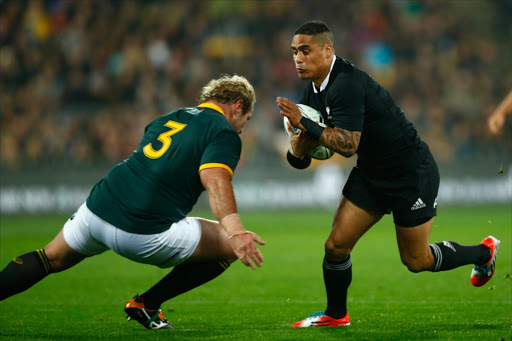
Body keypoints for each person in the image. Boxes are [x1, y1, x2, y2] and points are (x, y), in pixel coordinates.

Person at [276, 21, 500, 328]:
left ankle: (483, 252)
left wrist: (307, 124)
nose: (298, 58)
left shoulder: (346, 83)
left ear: (327, 50)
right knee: (336, 246)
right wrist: (297, 148)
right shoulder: (313, 91)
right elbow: (303, 159)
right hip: (371, 173)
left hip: (410, 172)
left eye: (305, 50)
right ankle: (336, 315)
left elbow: (347, 144)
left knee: (416, 261)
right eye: (294, 52)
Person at [0, 74, 265, 330]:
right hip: (141, 230)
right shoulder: (222, 131)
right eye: (247, 119)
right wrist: (236, 231)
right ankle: (147, 304)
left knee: (49, 258)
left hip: (97, 209)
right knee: (231, 246)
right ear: (238, 106)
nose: (242, 128)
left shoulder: (171, 117)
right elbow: (216, 181)